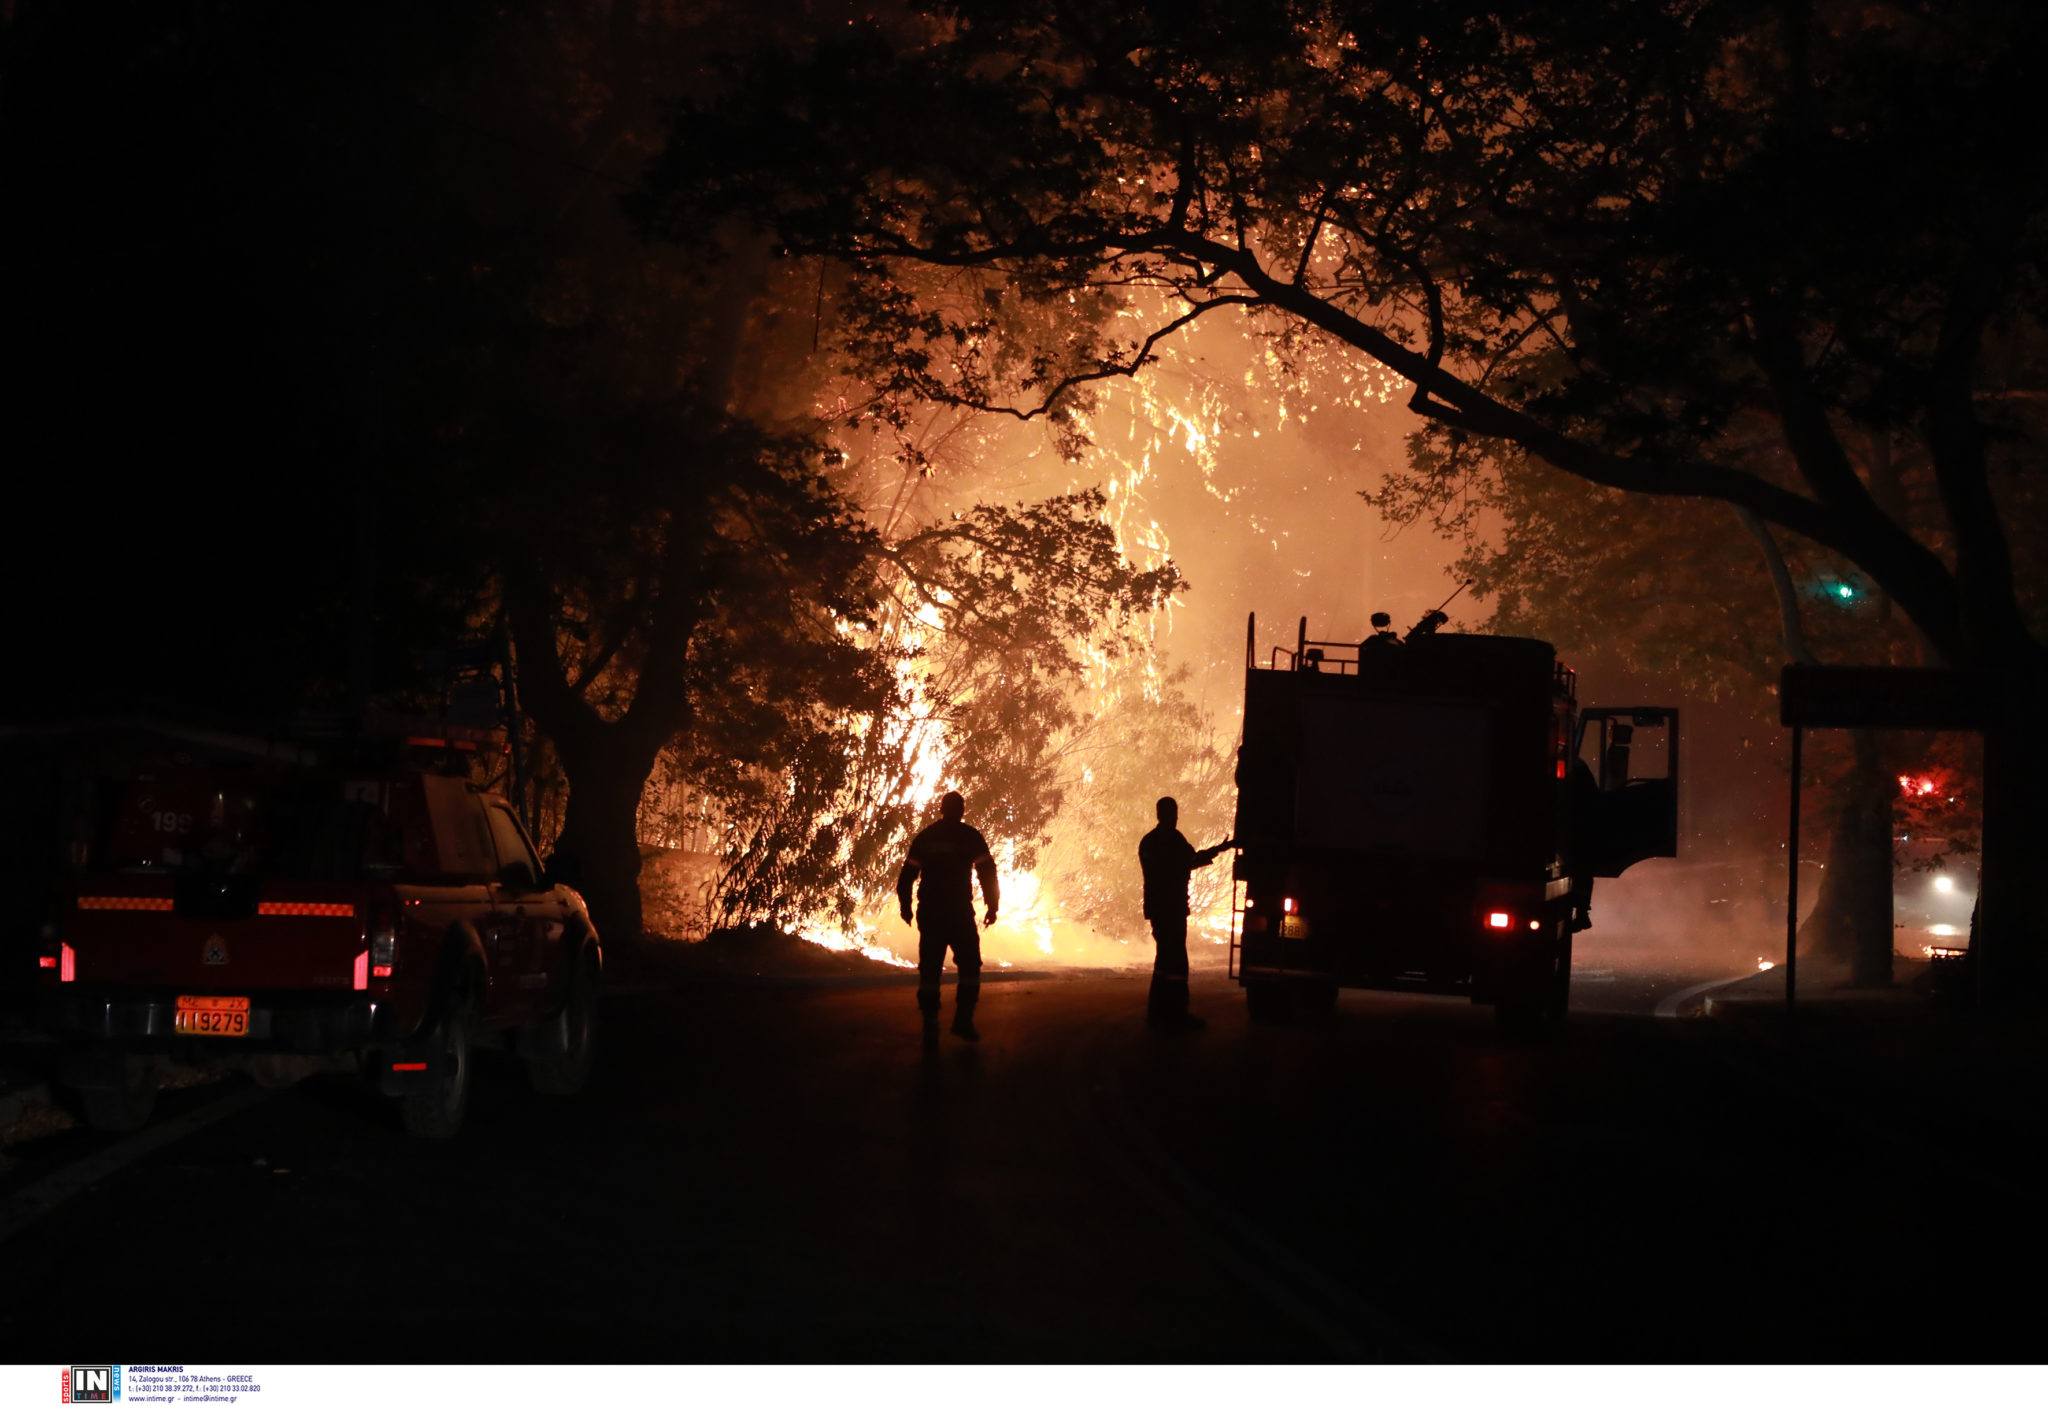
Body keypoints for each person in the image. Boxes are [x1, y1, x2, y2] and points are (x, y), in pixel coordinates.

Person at [898, 791, 999, 1043]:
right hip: (957, 911)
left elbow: (907, 874)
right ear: (961, 810)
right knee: (969, 965)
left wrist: (906, 906)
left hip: (931, 911)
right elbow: (987, 871)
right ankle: (963, 1020)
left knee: (930, 968)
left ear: (941, 809)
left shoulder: (927, 837)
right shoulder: (969, 837)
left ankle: (930, 1020)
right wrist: (992, 905)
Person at [1138, 797, 1232, 1030]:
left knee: (1164, 962)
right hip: (1171, 910)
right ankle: (1176, 1014)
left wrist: (1217, 850)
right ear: (1167, 815)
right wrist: (1218, 850)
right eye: (1174, 813)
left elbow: (1185, 861)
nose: (1176, 817)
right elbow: (1187, 861)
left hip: (1161, 910)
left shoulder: (1150, 842)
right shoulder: (1170, 842)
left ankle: (1157, 1013)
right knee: (1176, 964)